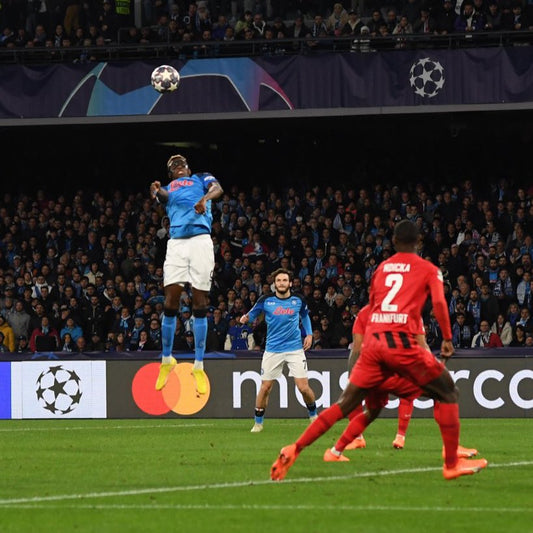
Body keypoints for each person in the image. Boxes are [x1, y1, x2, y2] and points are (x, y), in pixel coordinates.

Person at [270, 220, 488, 481]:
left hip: (373, 348)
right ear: (418, 242)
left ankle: (294, 448)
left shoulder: (381, 269)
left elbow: (374, 309)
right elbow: (440, 303)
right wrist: (448, 338)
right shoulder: (429, 269)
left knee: (344, 406)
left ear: (393, 242)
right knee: (448, 391)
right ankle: (451, 461)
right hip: (403, 346)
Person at [330, 304, 479, 457]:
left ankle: (350, 444)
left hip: (380, 365)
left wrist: (354, 372)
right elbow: (421, 345)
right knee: (438, 393)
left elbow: (357, 347)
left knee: (357, 399)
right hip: (392, 363)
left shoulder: (371, 312)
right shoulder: (401, 312)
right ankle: (403, 438)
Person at [150, 154, 223, 394]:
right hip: (177, 243)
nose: (179, 166)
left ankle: (198, 365)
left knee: (200, 303)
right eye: (174, 165)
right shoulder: (169, 189)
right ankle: (166, 360)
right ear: (170, 173)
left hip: (201, 240)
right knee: (171, 301)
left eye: (182, 163)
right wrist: (156, 190)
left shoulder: (201, 179)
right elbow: (163, 197)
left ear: (188, 167)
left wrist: (203, 199)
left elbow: (218, 189)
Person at [239, 268, 317, 433]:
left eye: (284, 280)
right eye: (278, 281)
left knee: (303, 387)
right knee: (265, 387)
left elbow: (305, 316)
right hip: (272, 350)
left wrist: (309, 334)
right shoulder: (266, 300)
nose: (281, 283)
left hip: (295, 349)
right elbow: (252, 315)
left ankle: (313, 416)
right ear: (274, 284)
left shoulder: (298, 300)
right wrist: (245, 319)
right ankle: (258, 423)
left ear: (290, 283)